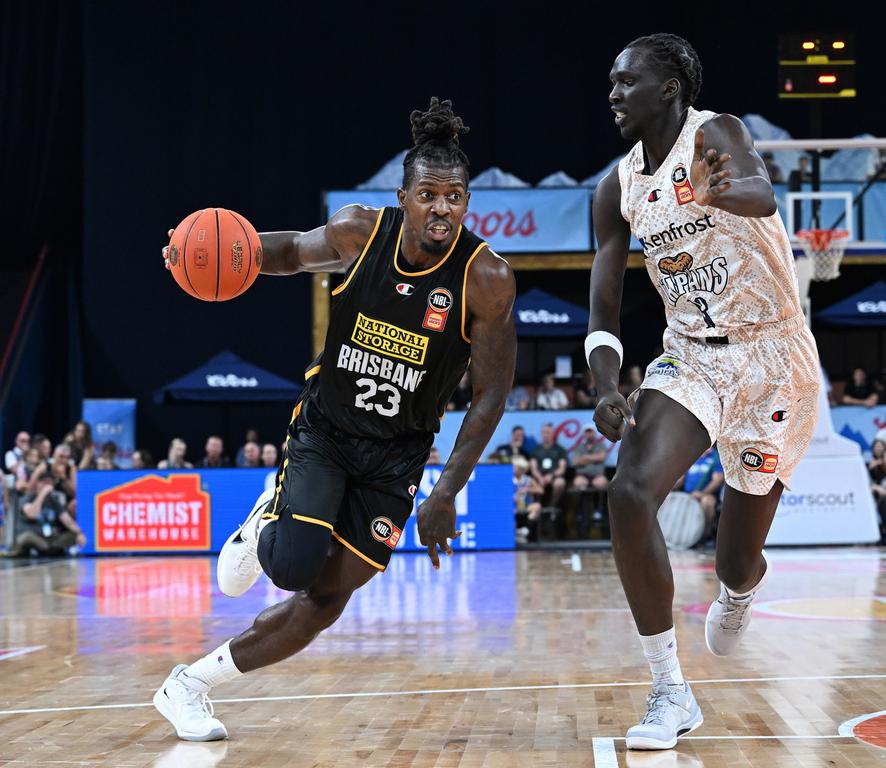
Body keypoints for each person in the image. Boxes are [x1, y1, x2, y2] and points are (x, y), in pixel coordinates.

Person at [153, 98, 516, 742]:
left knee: (324, 603)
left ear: (466, 203)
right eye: (428, 194)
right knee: (293, 566)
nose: (442, 207)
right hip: (327, 429)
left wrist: (447, 490)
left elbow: (490, 394)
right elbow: (290, 251)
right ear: (403, 196)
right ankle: (268, 516)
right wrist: (205, 253)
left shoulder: (485, 277)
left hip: (398, 457)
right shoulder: (359, 233)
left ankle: (189, 684)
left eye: (454, 196)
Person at [588, 33, 820, 750]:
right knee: (629, 492)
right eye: (610, 82)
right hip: (692, 357)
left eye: (627, 81)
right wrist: (604, 383)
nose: (613, 93)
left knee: (734, 558)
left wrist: (728, 189)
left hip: (774, 357)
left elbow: (758, 189)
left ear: (669, 88)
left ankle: (740, 590)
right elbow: (604, 302)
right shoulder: (615, 187)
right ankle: (669, 690)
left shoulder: (714, 133)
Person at [671, 445, 724, 545]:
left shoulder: (715, 457)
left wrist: (702, 493)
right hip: (687, 495)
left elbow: (717, 480)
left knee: (707, 502)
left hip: (705, 495)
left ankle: (702, 537)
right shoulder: (692, 456)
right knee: (668, 498)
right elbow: (681, 477)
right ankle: (672, 537)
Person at [529, 423, 568, 508]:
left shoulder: (560, 449)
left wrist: (551, 475)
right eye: (544, 432)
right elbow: (533, 468)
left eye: (548, 432)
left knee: (560, 483)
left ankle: (552, 507)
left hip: (553, 477)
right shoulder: (535, 450)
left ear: (553, 433)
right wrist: (540, 478)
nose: (545, 435)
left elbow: (562, 469)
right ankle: (535, 508)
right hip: (539, 477)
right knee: (530, 483)